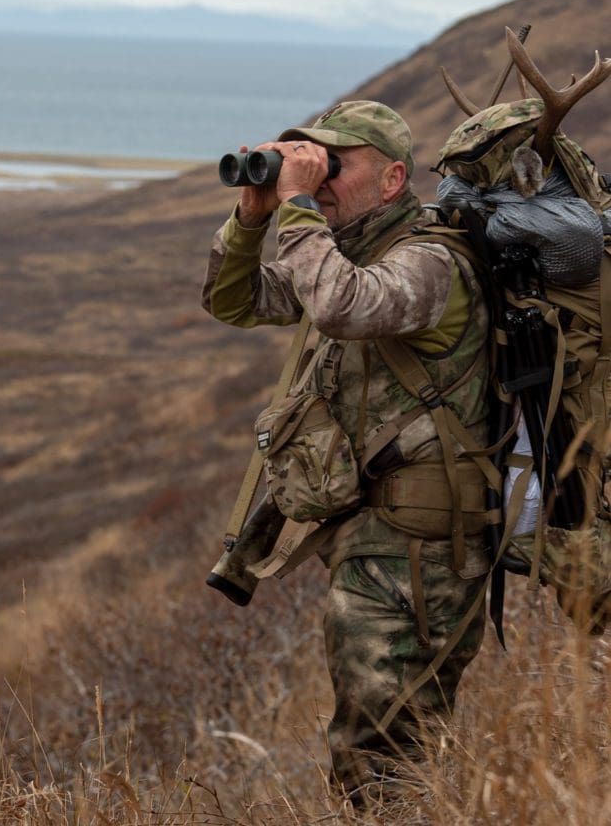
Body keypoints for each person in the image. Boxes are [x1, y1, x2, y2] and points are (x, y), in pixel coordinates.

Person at [201, 101, 492, 799]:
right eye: (310, 162)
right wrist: (251, 218)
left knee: (382, 750)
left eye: (336, 164)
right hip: (374, 540)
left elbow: (341, 306)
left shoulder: (429, 263)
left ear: (393, 179)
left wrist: (297, 203)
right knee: (378, 743)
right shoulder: (346, 256)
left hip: (419, 551)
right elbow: (230, 300)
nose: (319, 178)